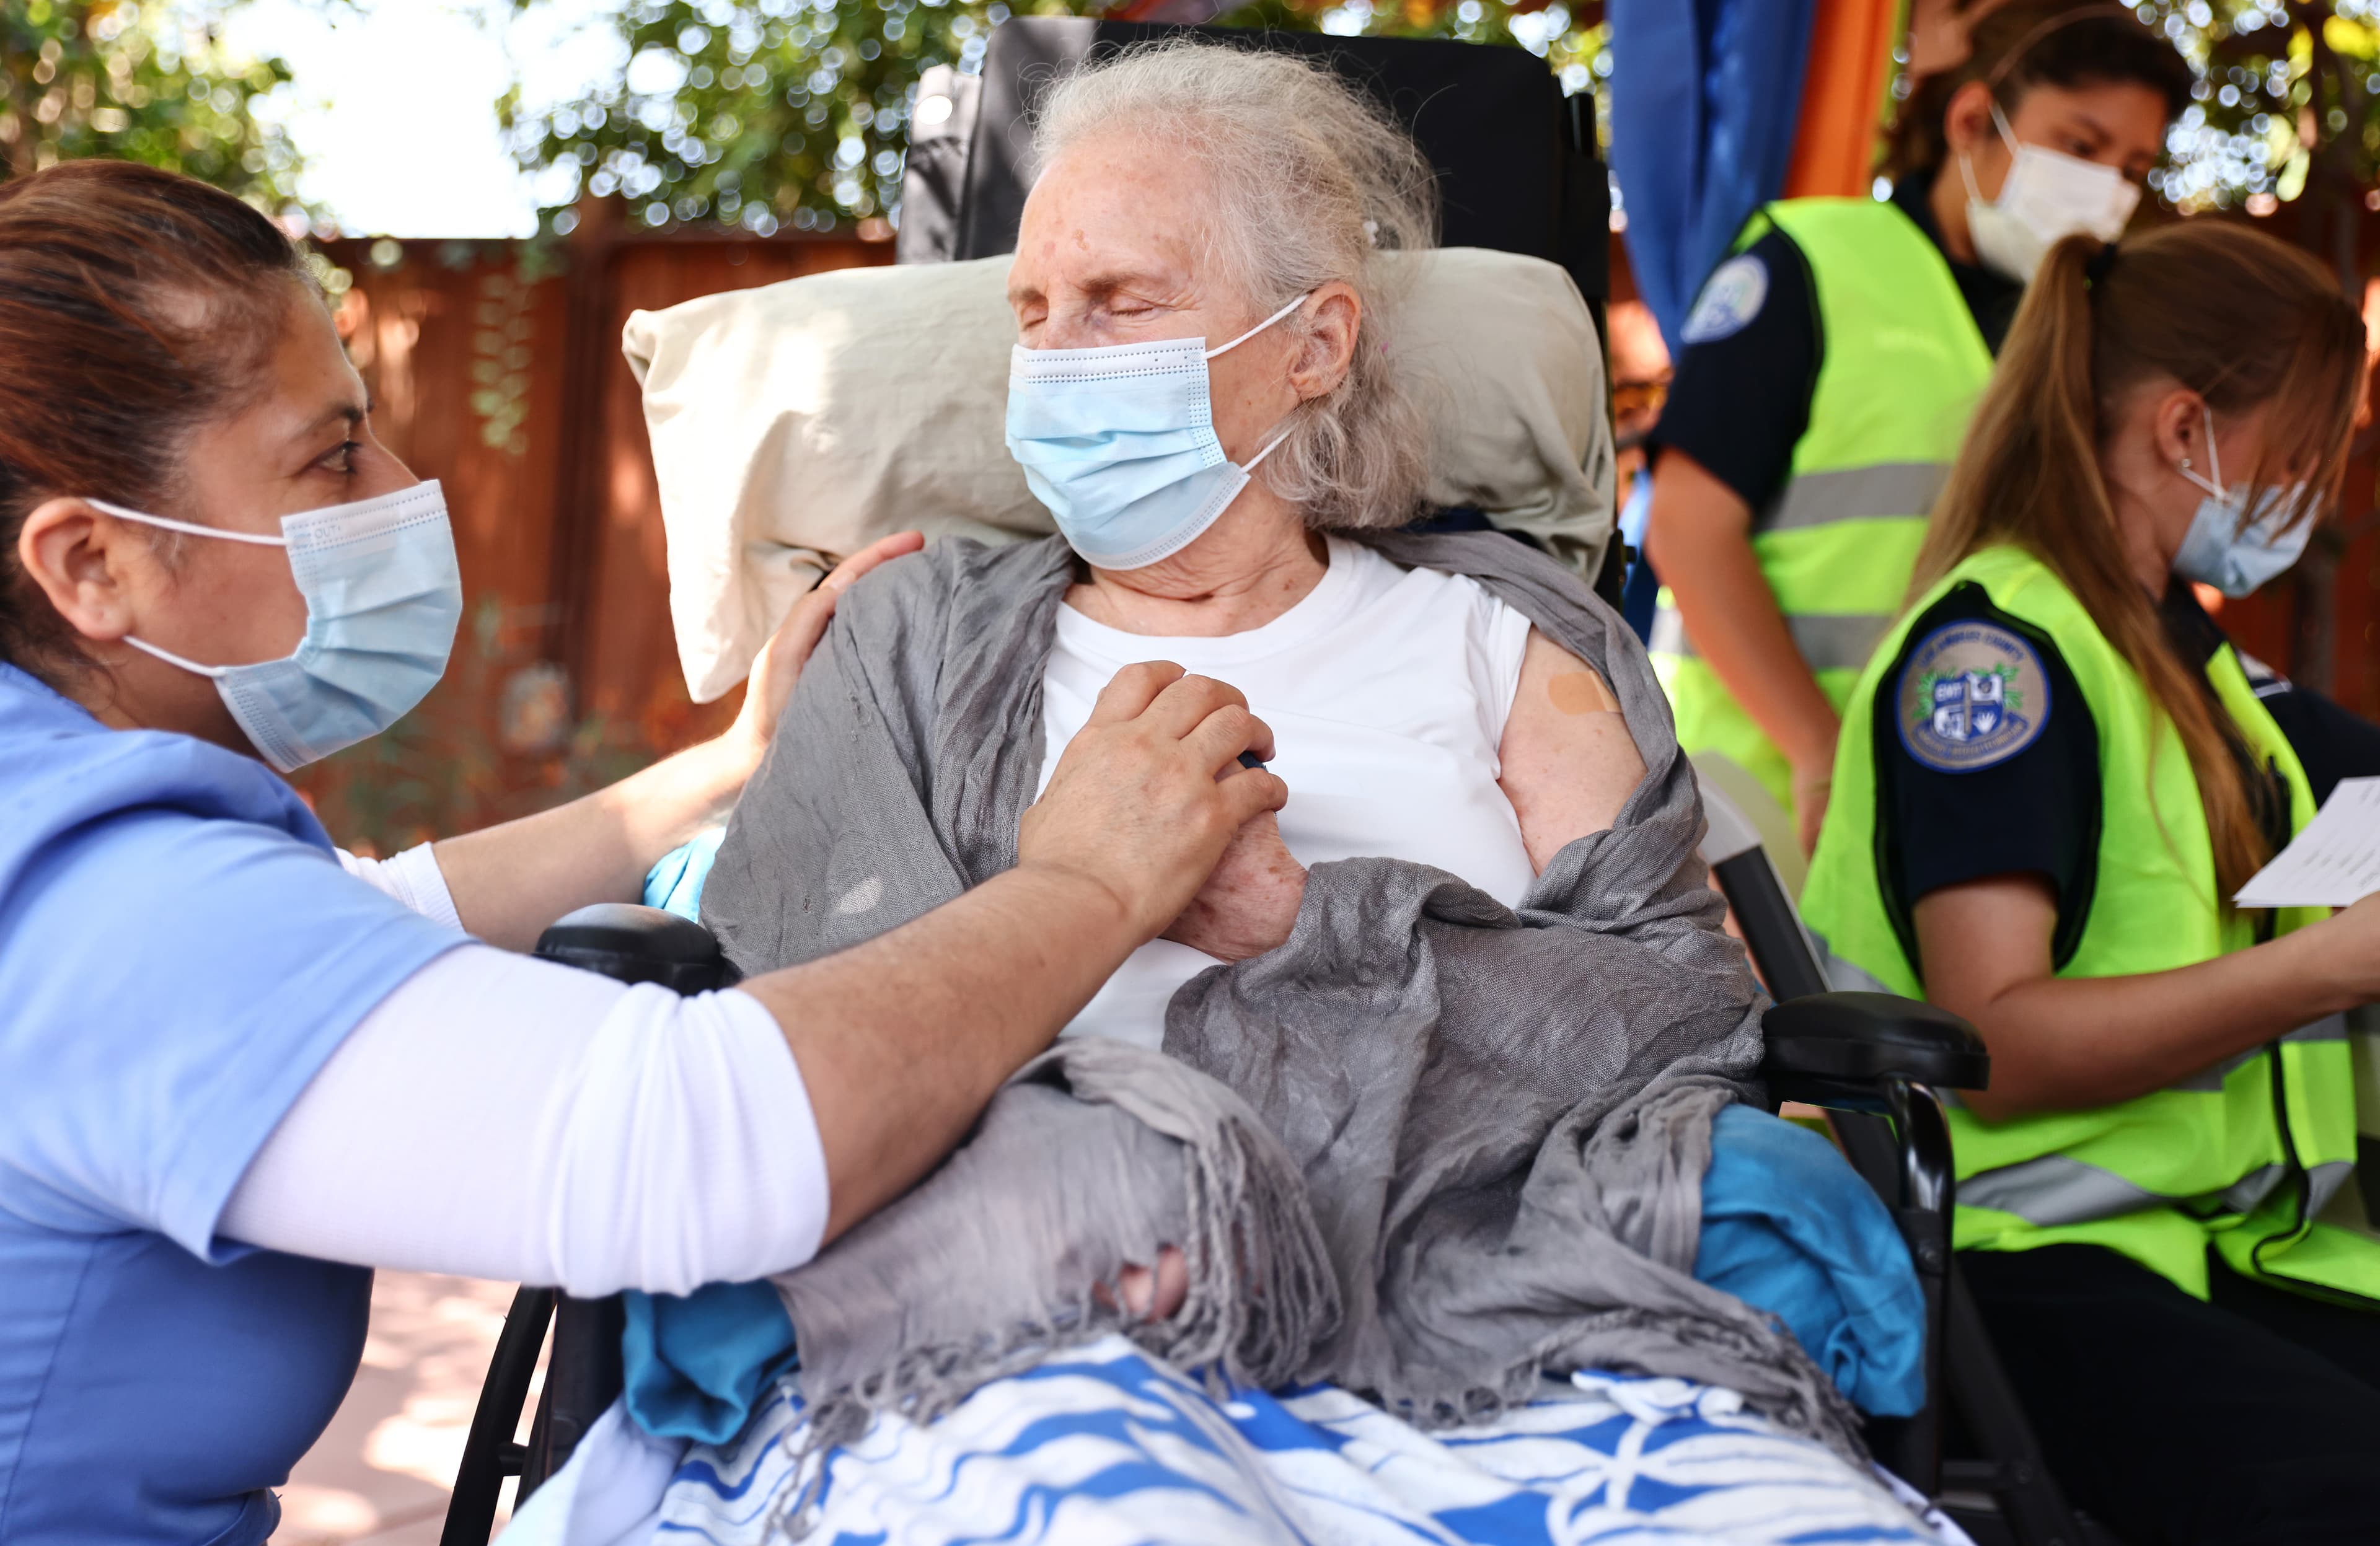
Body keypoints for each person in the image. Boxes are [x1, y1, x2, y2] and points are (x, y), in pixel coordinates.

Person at [0, 159, 1290, 1546]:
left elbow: (352, 926)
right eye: (330, 456)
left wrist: (728, 771)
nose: (399, 485)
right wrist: (1088, 886)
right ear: (87, 565)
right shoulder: (107, 910)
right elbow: (690, 1143)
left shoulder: (59, 825)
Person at [1799, 221, 2380, 1543]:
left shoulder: (2179, 657)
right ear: (2186, 432)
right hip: (2029, 1271)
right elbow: (1995, 1032)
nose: (2316, 492)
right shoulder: (1995, 665)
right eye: (2299, 455)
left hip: (2221, 1246)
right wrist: (2329, 965)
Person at [1644, 1, 2190, 852]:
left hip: (1982, 814)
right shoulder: (1810, 258)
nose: (2108, 189)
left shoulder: (2088, 333)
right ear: (1973, 119)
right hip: (1770, 809)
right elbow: (1687, 527)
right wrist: (1819, 751)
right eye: (2081, 147)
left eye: (2133, 166)